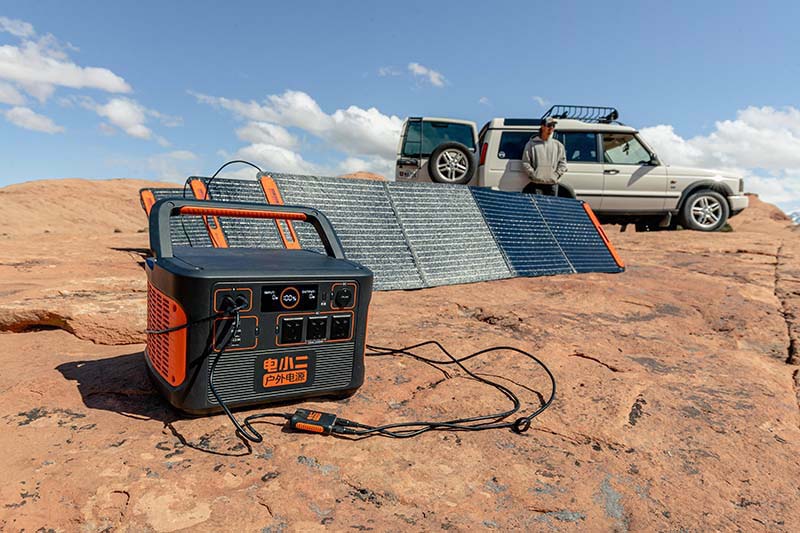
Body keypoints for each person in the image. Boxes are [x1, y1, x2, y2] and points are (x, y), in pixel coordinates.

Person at [521, 117, 567, 196]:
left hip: (552, 183)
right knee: (537, 207)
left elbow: (563, 163)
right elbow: (525, 162)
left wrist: (556, 175)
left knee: (551, 207)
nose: (551, 128)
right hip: (536, 183)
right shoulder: (531, 144)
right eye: (549, 125)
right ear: (542, 127)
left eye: (553, 126)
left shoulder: (558, 145)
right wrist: (533, 175)